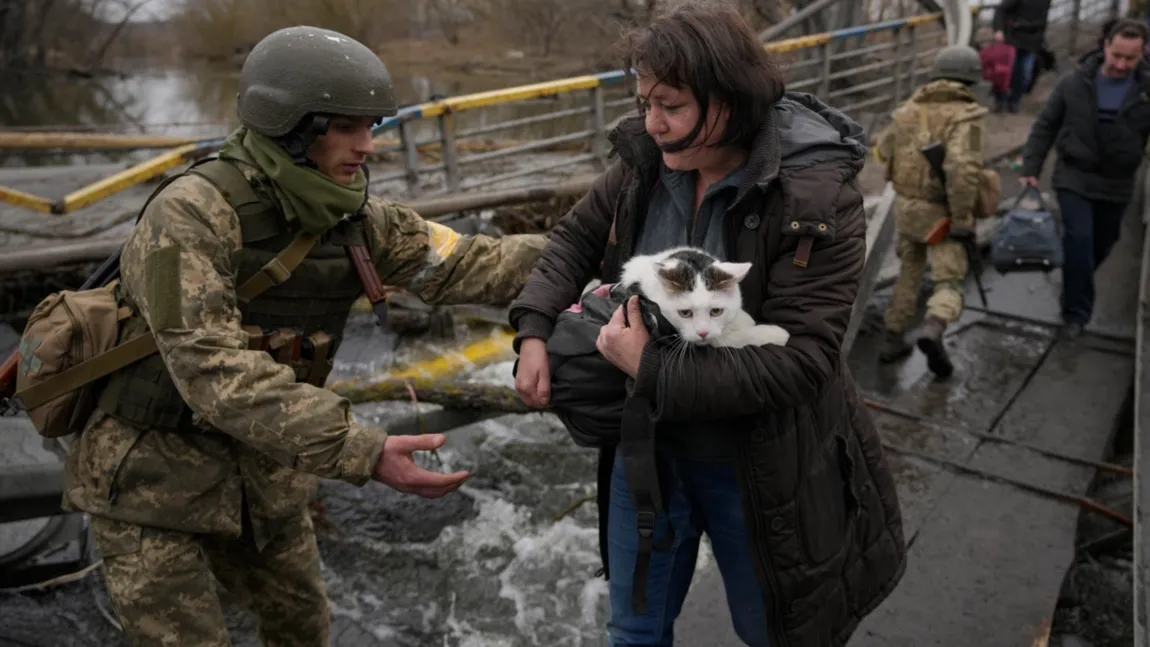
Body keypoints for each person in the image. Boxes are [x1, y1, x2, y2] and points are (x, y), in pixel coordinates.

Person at [60, 26, 546, 646]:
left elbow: (472, 262)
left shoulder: (354, 219)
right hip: (150, 484)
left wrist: (602, 251)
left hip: (265, 478)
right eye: (348, 127)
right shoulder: (190, 214)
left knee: (303, 631)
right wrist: (364, 450)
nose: (368, 146)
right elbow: (212, 371)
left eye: (372, 127)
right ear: (292, 126)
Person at [510, 5, 906, 646]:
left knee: (773, 629)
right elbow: (574, 239)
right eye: (644, 102)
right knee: (633, 631)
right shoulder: (645, 164)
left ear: (730, 97)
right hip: (650, 449)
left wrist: (651, 365)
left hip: (760, 462)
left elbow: (803, 359)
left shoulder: (815, 199)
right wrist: (532, 329)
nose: (651, 123)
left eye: (670, 105)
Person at [1020, 18, 1150, 339]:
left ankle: (1076, 283)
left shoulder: (1146, 91)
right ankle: (1075, 316)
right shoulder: (1075, 82)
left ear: (1142, 54)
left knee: (1103, 245)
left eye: (1129, 59)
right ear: (1106, 46)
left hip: (1117, 183)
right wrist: (1030, 170)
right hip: (1074, 176)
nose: (1121, 64)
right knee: (1079, 240)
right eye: (1116, 55)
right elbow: (1045, 125)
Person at [873, 46, 988, 377]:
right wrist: (964, 219)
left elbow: (881, 154)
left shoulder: (906, 111)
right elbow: (964, 170)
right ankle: (934, 327)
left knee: (909, 273)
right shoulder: (968, 116)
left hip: (907, 209)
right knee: (948, 278)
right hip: (943, 212)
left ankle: (892, 339)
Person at [993, 0, 1053, 112]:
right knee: (1006, 71)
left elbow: (1042, 21)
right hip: (1012, 37)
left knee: (1025, 74)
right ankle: (1000, 100)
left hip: (1031, 41)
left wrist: (1039, 40)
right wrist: (999, 30)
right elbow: (1001, 9)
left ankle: (1014, 101)